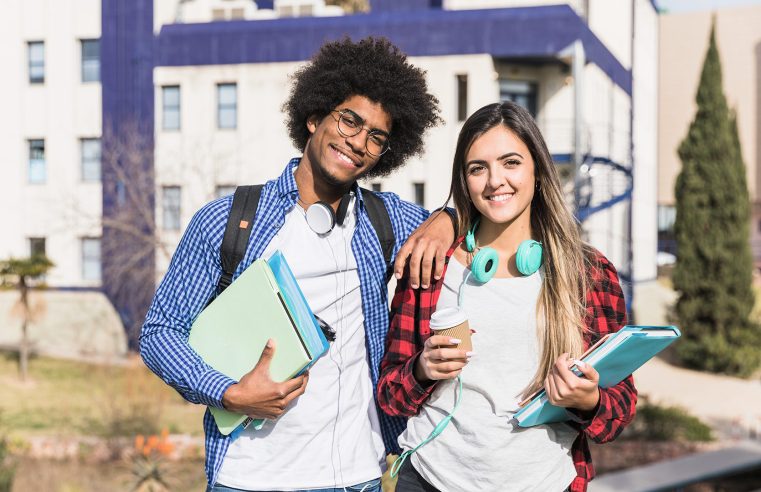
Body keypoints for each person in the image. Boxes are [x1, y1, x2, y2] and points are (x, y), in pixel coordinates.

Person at [140, 37, 455, 492]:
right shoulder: (228, 221)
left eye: (376, 137)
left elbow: (477, 220)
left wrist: (446, 219)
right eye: (350, 121)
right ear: (314, 117)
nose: (358, 143)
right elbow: (160, 334)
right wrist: (229, 393)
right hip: (248, 477)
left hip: (358, 475)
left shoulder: (389, 220)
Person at [377, 102, 637, 492]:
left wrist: (588, 400)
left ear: (537, 169)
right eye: (477, 168)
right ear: (464, 181)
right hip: (432, 479)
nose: (494, 180)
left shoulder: (588, 273)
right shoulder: (432, 266)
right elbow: (390, 396)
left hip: (547, 481)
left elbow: (620, 409)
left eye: (511, 162)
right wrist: (421, 370)